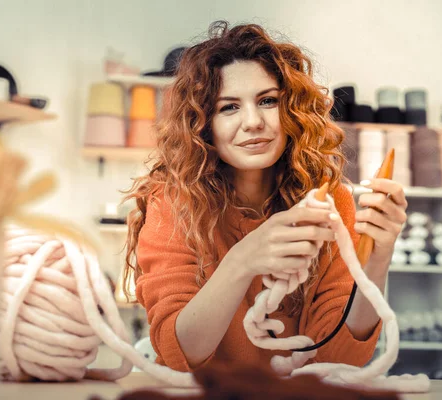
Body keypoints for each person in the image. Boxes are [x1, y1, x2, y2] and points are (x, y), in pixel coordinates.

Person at [121, 21, 408, 373]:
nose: (254, 121)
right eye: (229, 107)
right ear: (203, 124)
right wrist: (243, 260)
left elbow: (340, 360)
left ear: (290, 110)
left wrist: (377, 259)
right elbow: (181, 354)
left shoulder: (330, 202)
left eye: (267, 101)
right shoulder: (172, 202)